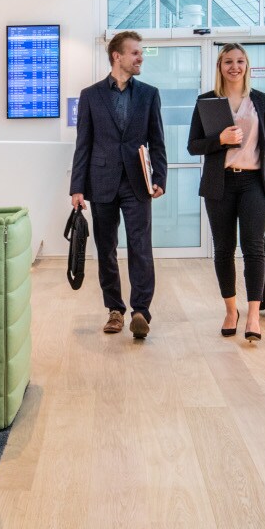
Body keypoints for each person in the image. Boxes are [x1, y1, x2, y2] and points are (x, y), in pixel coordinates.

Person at [187, 44, 265, 344]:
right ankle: (231, 311)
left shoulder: (261, 101)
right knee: (223, 249)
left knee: (254, 248)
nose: (235, 66)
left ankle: (253, 315)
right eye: (228, 61)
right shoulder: (207, 101)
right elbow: (193, 146)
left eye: (240, 61)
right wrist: (219, 139)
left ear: (247, 65)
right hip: (220, 184)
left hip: (254, 184)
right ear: (220, 66)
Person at [70, 31, 166, 340]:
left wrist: (159, 179)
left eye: (141, 53)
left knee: (140, 246)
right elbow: (83, 144)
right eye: (136, 53)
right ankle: (114, 310)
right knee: (106, 248)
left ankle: (141, 311)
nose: (140, 58)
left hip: (138, 183)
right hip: (101, 183)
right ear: (117, 56)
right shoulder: (91, 95)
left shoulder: (149, 94)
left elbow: (158, 142)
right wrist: (77, 188)